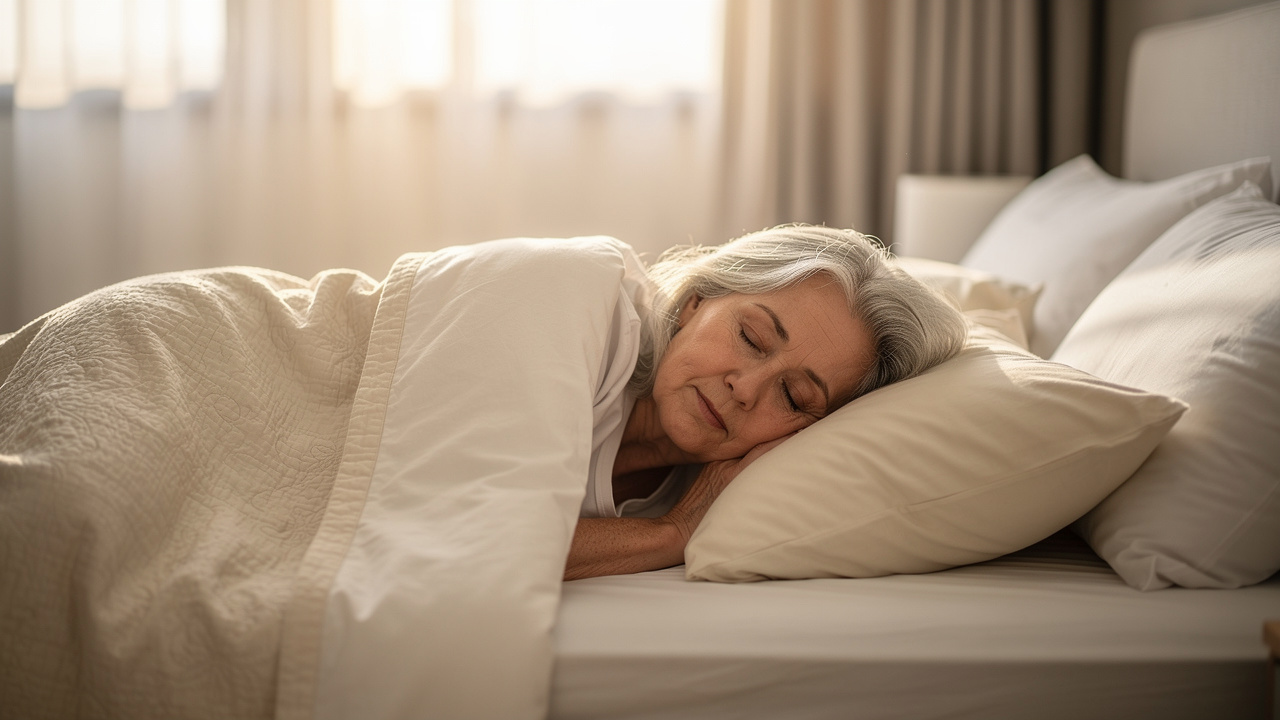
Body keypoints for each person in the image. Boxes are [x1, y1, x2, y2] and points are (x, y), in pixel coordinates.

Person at [565, 224, 967, 579]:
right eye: (751, 338)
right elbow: (503, 539)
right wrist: (673, 532)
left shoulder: (727, 500)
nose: (746, 389)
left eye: (793, 397)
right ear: (697, 300)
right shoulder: (584, 301)